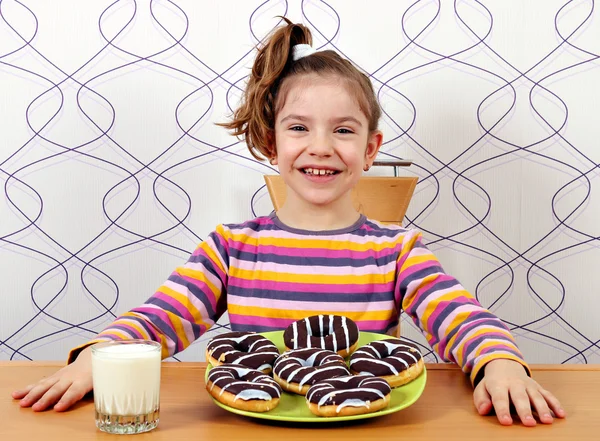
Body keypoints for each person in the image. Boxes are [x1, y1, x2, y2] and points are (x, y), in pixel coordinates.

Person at [12, 18, 564, 427]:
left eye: (343, 131)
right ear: (272, 142)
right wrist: (97, 359)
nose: (320, 147)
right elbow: (159, 319)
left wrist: (499, 364)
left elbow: (458, 316)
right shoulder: (232, 248)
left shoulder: (399, 250)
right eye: (299, 128)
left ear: (371, 150)